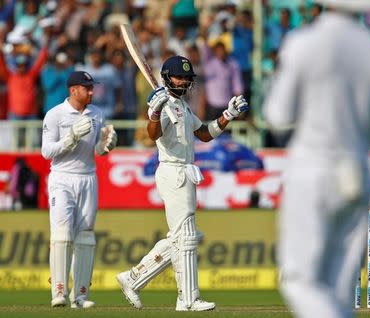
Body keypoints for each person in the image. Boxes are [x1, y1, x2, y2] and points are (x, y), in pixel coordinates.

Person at [263, 1, 370, 318]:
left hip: (313, 168)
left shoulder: (304, 43)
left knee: (299, 280)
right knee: (338, 289)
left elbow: (278, 115)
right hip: (358, 171)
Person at [116, 55, 249, 311]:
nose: (185, 81)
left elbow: (204, 134)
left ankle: (133, 278)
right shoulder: (163, 104)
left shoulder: (182, 106)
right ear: (167, 77)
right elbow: (152, 134)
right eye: (180, 77)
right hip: (172, 171)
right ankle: (188, 299)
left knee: (181, 238)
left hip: (186, 172)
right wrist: (153, 112)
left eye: (188, 78)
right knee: (185, 238)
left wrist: (228, 115)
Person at [41, 70, 118, 308]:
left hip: (88, 178)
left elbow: (96, 149)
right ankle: (59, 292)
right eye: (87, 88)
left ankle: (80, 295)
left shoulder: (97, 113)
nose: (92, 92)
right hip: (62, 179)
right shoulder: (55, 115)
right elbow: (47, 153)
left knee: (86, 236)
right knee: (62, 235)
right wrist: (71, 136)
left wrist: (106, 146)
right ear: (74, 90)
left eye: (92, 87)